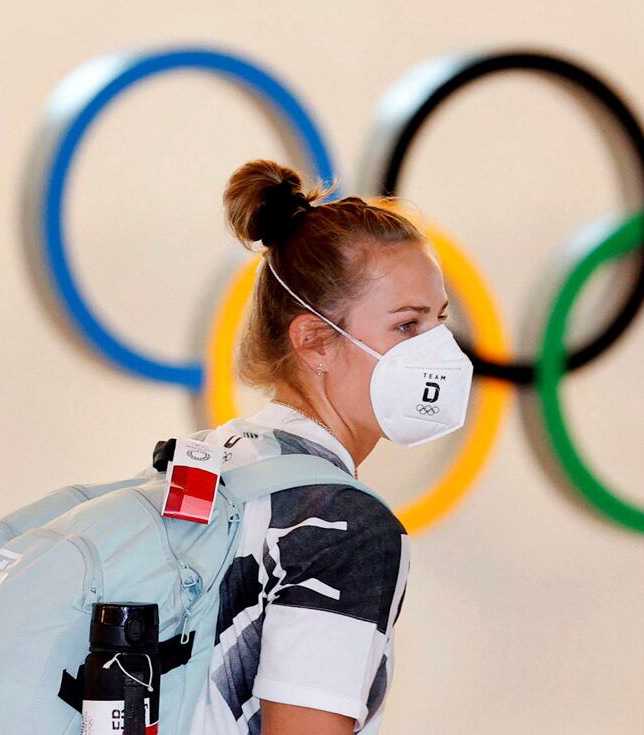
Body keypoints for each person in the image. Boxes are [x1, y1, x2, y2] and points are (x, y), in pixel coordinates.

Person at [188, 160, 473, 735]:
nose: (438, 350)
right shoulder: (343, 525)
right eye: (408, 326)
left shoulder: (216, 462)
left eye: (439, 321)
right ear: (315, 340)